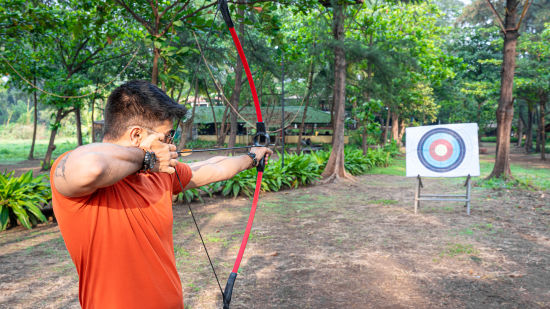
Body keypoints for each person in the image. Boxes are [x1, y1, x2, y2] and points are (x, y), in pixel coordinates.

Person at [50, 80, 272, 309]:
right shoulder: (78, 178)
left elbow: (213, 167)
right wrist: (146, 158)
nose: (170, 142)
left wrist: (252, 157)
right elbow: (92, 166)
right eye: (167, 135)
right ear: (136, 135)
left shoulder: (159, 174)